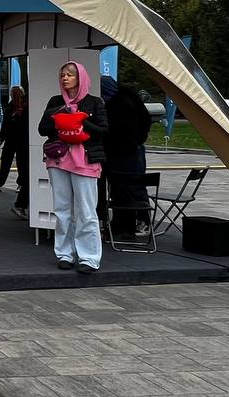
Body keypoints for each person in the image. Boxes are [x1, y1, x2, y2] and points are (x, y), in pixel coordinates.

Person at [38, 61, 109, 274]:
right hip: (58, 160)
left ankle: (89, 257)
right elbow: (42, 128)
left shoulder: (94, 102)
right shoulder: (55, 101)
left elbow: (103, 131)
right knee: (62, 210)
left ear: (81, 78)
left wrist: (80, 121)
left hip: (85, 161)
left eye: (70, 75)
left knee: (86, 210)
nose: (65, 78)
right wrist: (61, 118)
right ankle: (64, 254)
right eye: (62, 75)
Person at [101, 77, 153, 237]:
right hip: (133, 150)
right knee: (135, 186)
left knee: (125, 189)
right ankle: (136, 223)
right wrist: (139, 140)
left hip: (121, 153)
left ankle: (126, 224)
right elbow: (146, 120)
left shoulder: (116, 106)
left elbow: (114, 132)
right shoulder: (130, 99)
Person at [0, 86, 30, 219]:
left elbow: (5, 124)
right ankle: (20, 186)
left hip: (11, 140)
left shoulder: (11, 106)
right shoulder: (25, 106)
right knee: (23, 166)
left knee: (6, 162)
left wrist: (2, 137)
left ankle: (0, 183)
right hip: (22, 141)